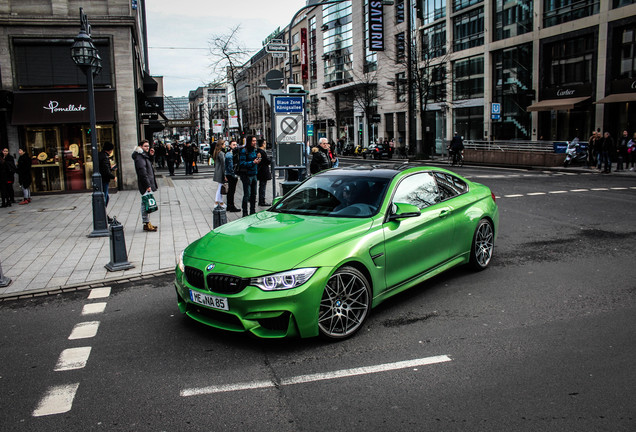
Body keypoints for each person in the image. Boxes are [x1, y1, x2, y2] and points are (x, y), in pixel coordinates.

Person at [132, 139, 158, 232]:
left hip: (147, 182)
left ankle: (147, 223)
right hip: (145, 183)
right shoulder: (139, 157)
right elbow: (142, 172)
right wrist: (147, 185)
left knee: (145, 203)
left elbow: (148, 165)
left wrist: (151, 155)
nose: (147, 147)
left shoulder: (143, 156)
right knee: (145, 204)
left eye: (148, 146)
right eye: (145, 146)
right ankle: (146, 223)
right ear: (140, 147)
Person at [238, 135, 260, 216]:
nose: (255, 142)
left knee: (254, 194)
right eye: (253, 141)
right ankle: (245, 212)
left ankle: (252, 210)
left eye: (255, 141)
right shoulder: (244, 151)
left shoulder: (254, 150)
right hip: (247, 175)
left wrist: (258, 160)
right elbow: (242, 163)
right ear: (249, 142)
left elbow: (255, 160)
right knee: (247, 194)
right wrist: (253, 162)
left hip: (254, 174)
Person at [98, 141, 116, 211]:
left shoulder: (100, 155)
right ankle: (103, 213)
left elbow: (104, 168)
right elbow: (105, 171)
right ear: (110, 150)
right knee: (105, 197)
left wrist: (110, 168)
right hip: (104, 179)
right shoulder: (105, 157)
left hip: (102, 178)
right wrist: (113, 176)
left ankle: (103, 212)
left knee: (106, 197)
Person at [224, 140, 241, 212]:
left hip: (229, 174)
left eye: (236, 145)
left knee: (231, 191)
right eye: (233, 145)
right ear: (230, 146)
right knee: (231, 191)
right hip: (231, 175)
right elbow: (231, 167)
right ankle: (231, 206)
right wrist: (234, 175)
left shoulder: (231, 154)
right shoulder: (230, 154)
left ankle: (229, 205)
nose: (235, 146)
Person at [256, 139, 271, 206]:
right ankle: (262, 201)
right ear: (263, 144)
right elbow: (267, 161)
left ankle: (261, 200)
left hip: (260, 171)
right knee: (262, 186)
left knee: (261, 186)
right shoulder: (262, 152)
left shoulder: (258, 151)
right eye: (264, 143)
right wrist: (270, 159)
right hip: (263, 172)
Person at [212, 140, 226, 208]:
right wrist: (225, 174)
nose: (225, 146)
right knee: (220, 187)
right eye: (224, 144)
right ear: (221, 145)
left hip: (218, 171)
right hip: (220, 172)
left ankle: (220, 202)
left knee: (220, 186)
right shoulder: (221, 153)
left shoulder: (216, 152)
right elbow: (223, 164)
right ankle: (217, 201)